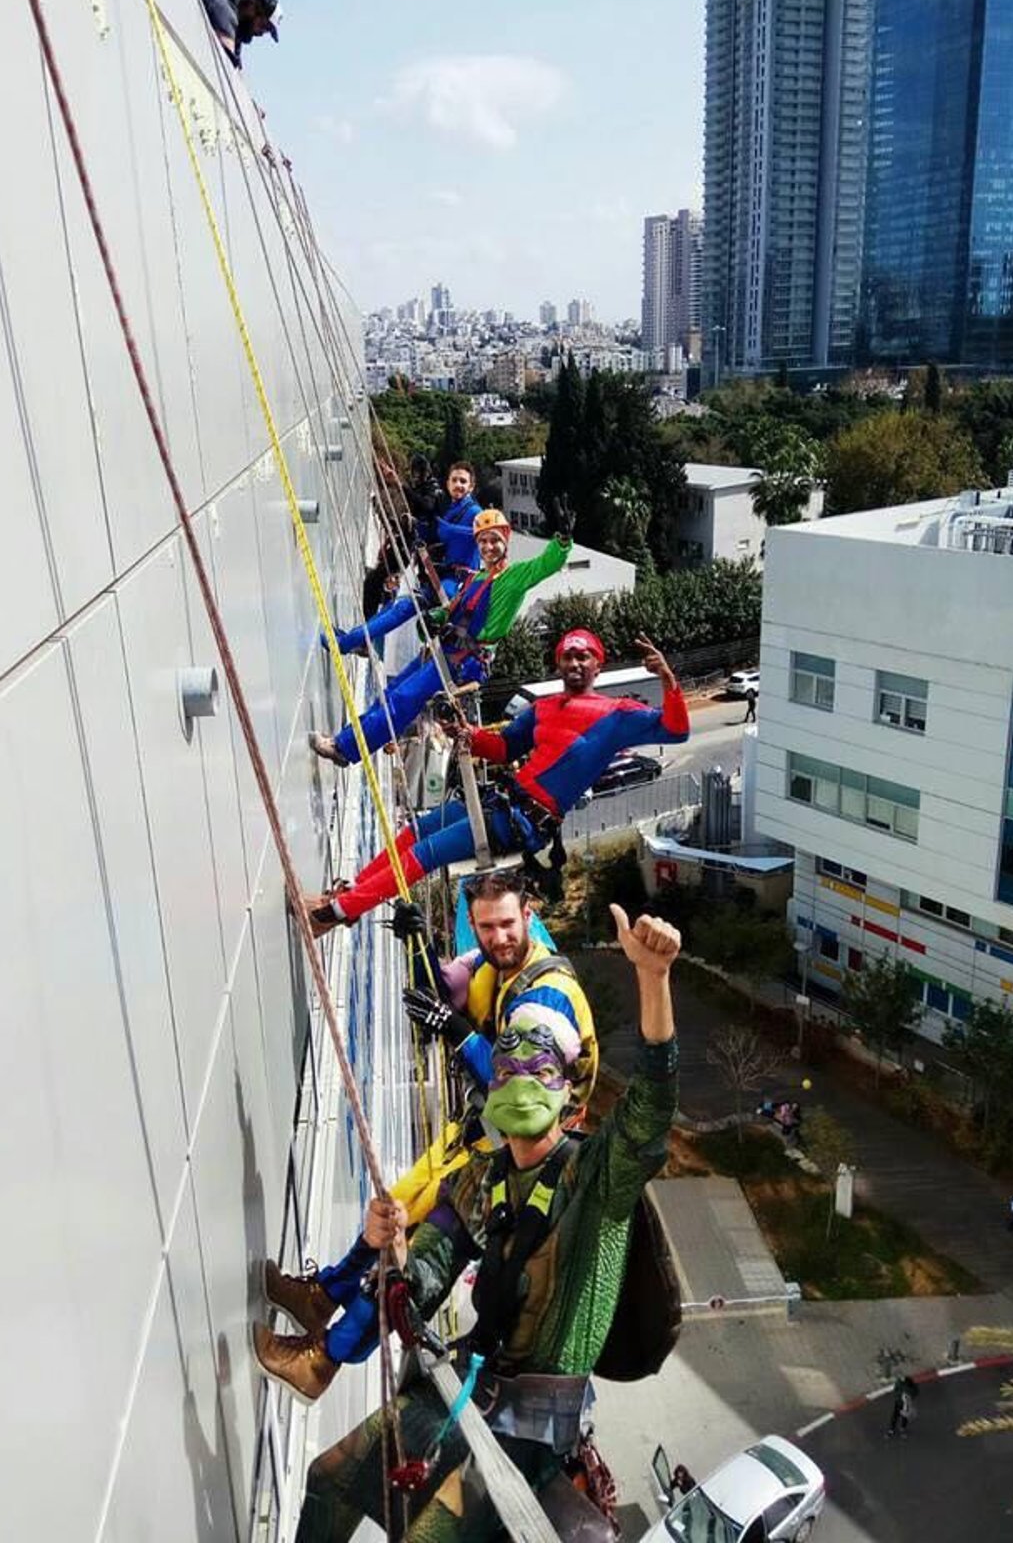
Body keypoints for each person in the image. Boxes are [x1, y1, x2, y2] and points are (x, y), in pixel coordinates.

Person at [282, 903, 682, 1542]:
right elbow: (434, 1264)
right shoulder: (482, 1176)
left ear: (568, 1088)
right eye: (512, 1060)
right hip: (469, 1385)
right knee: (329, 1477)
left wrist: (654, 980)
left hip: (536, 1429)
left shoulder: (596, 1179)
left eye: (541, 1064)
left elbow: (651, 1108)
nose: (524, 1073)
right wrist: (398, 1263)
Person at [255, 873, 599, 1395]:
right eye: (486, 927)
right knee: (397, 1208)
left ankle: (322, 1359)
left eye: (507, 924)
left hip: (525, 1166)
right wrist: (420, 949)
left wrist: (454, 1028)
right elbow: (440, 996)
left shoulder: (546, 999)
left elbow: (519, 1090)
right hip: (487, 1139)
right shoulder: (502, 964)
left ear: (528, 916)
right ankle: (323, 1295)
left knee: (419, 1259)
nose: (498, 937)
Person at [306, 629, 691, 932]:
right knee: (413, 833)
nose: (575, 662)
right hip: (503, 801)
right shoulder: (542, 710)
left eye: (584, 656)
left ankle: (334, 913)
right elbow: (505, 748)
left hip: (522, 821)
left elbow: (676, 731)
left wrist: (668, 679)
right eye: (568, 656)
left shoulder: (619, 715)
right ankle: (348, 895)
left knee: (424, 854)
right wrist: (467, 734)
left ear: (597, 667)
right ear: (558, 664)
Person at [309, 511, 570, 768]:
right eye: (483, 541)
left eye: (494, 540)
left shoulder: (513, 579)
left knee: (403, 700)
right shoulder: (476, 578)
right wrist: (436, 617)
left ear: (505, 541)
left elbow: (545, 565)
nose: (488, 547)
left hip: (463, 661)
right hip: (445, 651)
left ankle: (344, 748)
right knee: (390, 695)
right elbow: (453, 610)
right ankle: (344, 742)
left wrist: (562, 542)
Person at [329, 462, 482, 659]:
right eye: (455, 480)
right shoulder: (452, 508)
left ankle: (348, 642)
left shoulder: (474, 512)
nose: (458, 485)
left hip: (453, 586)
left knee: (398, 610)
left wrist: (443, 528)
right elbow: (434, 530)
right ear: (448, 483)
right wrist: (418, 527)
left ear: (471, 486)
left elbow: (477, 534)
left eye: (463, 481)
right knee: (395, 608)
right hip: (439, 579)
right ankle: (353, 639)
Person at [183, 0, 282, 69]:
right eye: (263, 26)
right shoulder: (223, 9)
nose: (261, 33)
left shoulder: (235, 31)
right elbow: (226, 62)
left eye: (266, 31)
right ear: (251, 7)